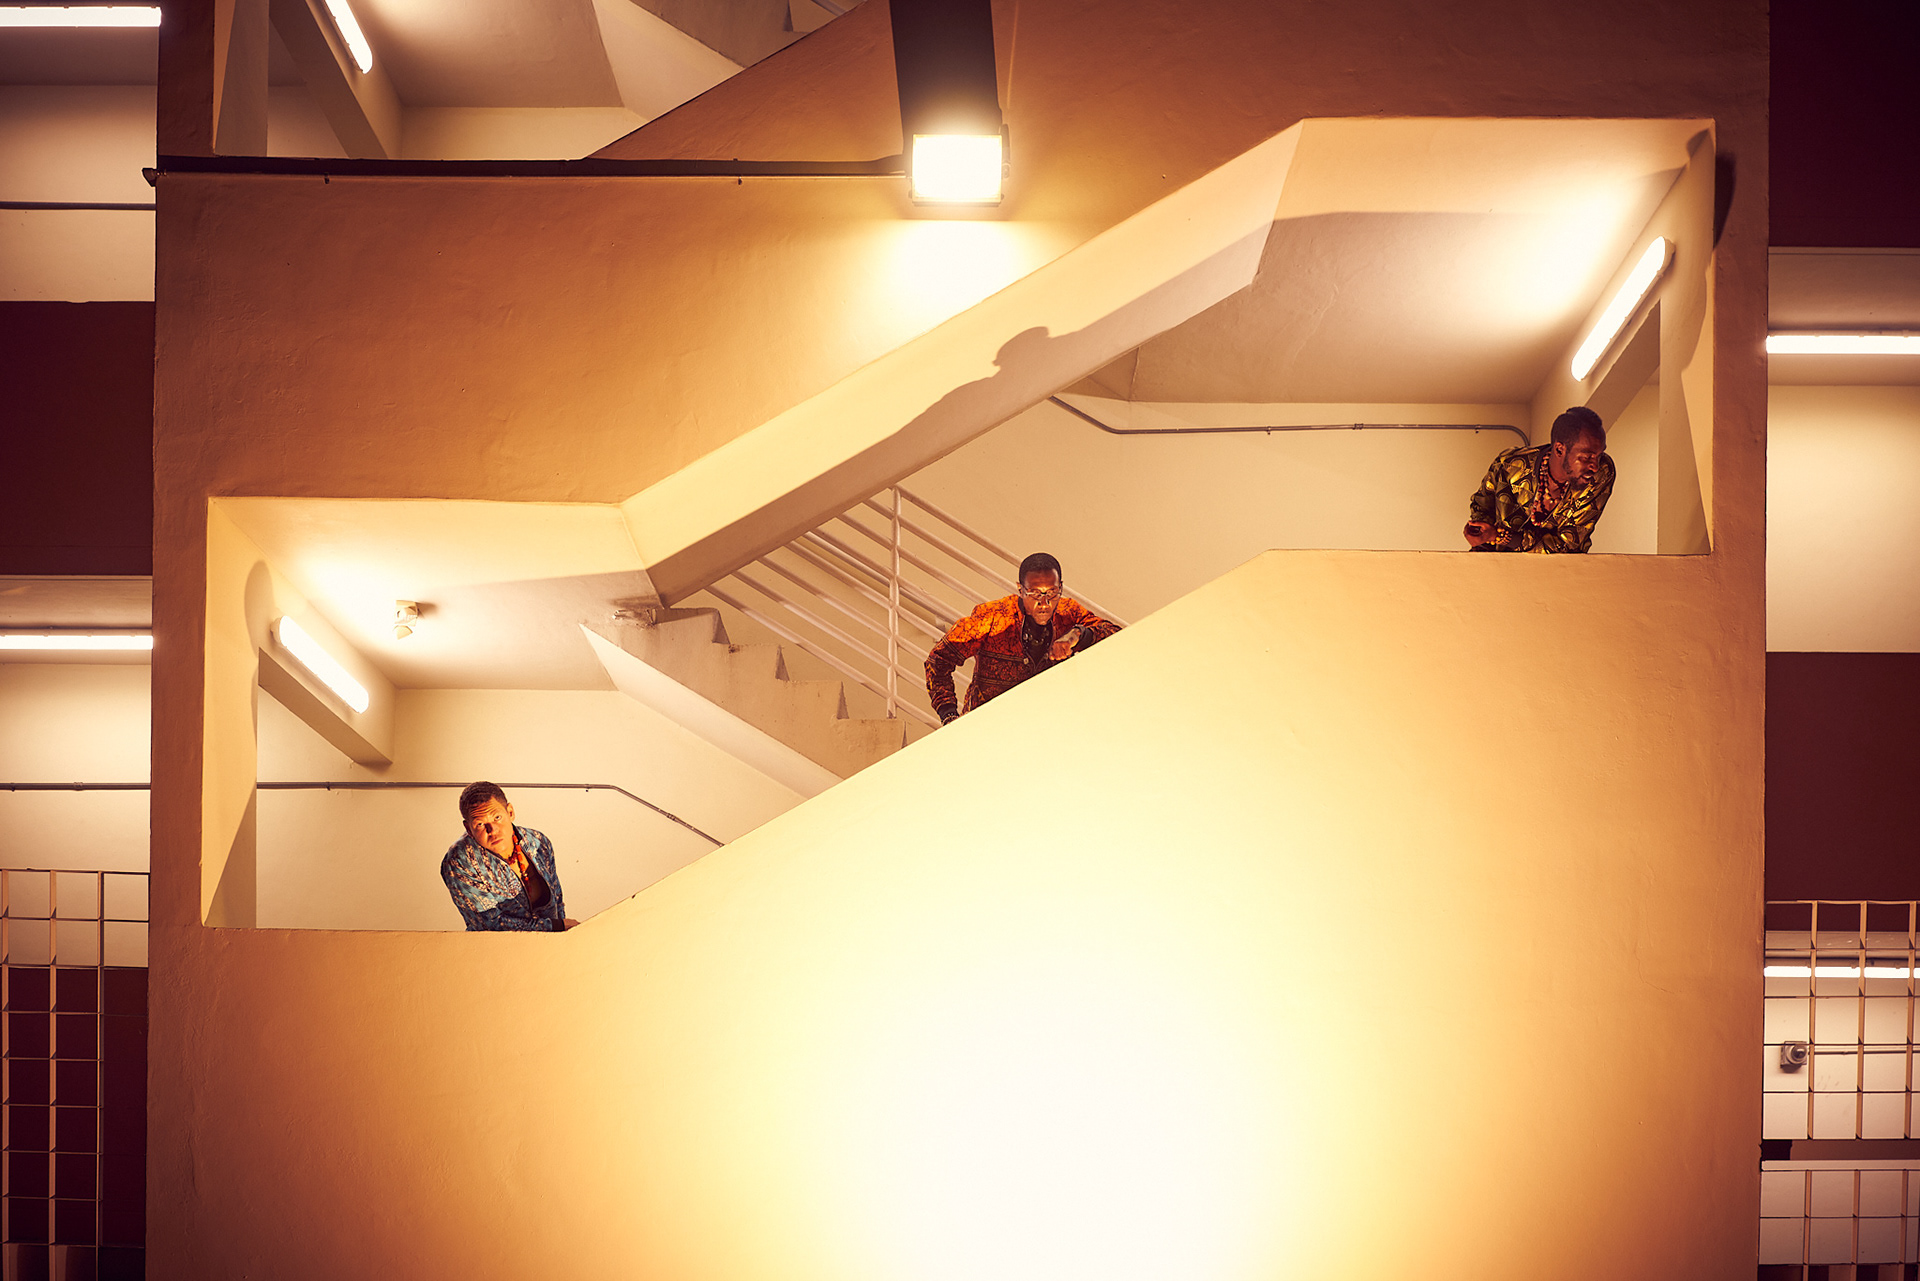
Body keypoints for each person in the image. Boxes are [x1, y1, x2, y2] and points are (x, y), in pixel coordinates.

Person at [925, 552, 1120, 724]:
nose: (1044, 603)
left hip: (1048, 724)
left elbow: (1114, 633)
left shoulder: (1068, 612)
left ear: (1060, 587)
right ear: (1021, 589)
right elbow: (939, 659)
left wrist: (1077, 635)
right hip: (988, 726)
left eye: (1052, 593)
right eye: (1035, 593)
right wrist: (948, 715)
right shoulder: (992, 618)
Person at [1464, 406, 1616, 553]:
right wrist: (1479, 533)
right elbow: (1482, 508)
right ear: (1559, 449)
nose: (1595, 466)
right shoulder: (1509, 465)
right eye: (1586, 457)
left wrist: (1500, 536)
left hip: (1560, 568)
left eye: (1599, 455)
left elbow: (1568, 544)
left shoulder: (1600, 474)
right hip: (1499, 564)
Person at [440, 781, 577, 931]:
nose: (492, 830)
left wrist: (564, 933)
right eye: (480, 824)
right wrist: (555, 926)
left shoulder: (537, 842)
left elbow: (557, 897)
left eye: (497, 817)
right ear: (468, 828)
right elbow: (489, 924)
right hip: (500, 944)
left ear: (510, 812)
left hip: (552, 941)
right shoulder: (460, 862)